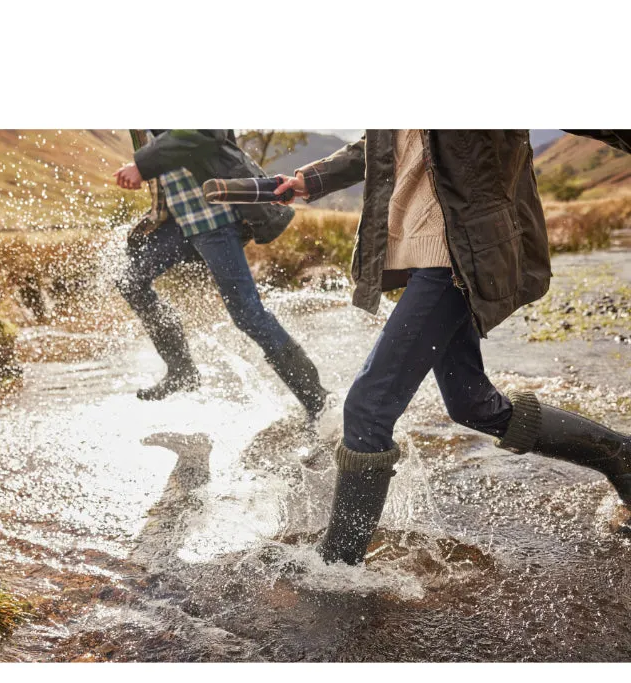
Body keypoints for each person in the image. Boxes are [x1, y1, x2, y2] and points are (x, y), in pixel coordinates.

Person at [273, 129, 631, 565]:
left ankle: (336, 566)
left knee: (367, 409)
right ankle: (620, 455)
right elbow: (383, 142)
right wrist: (315, 178)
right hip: (422, 253)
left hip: (457, 253)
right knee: (472, 405)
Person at [113, 130, 328, 417]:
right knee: (131, 280)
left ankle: (318, 400)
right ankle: (181, 370)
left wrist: (142, 165)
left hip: (214, 219)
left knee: (247, 315)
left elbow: (206, 132)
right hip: (178, 221)